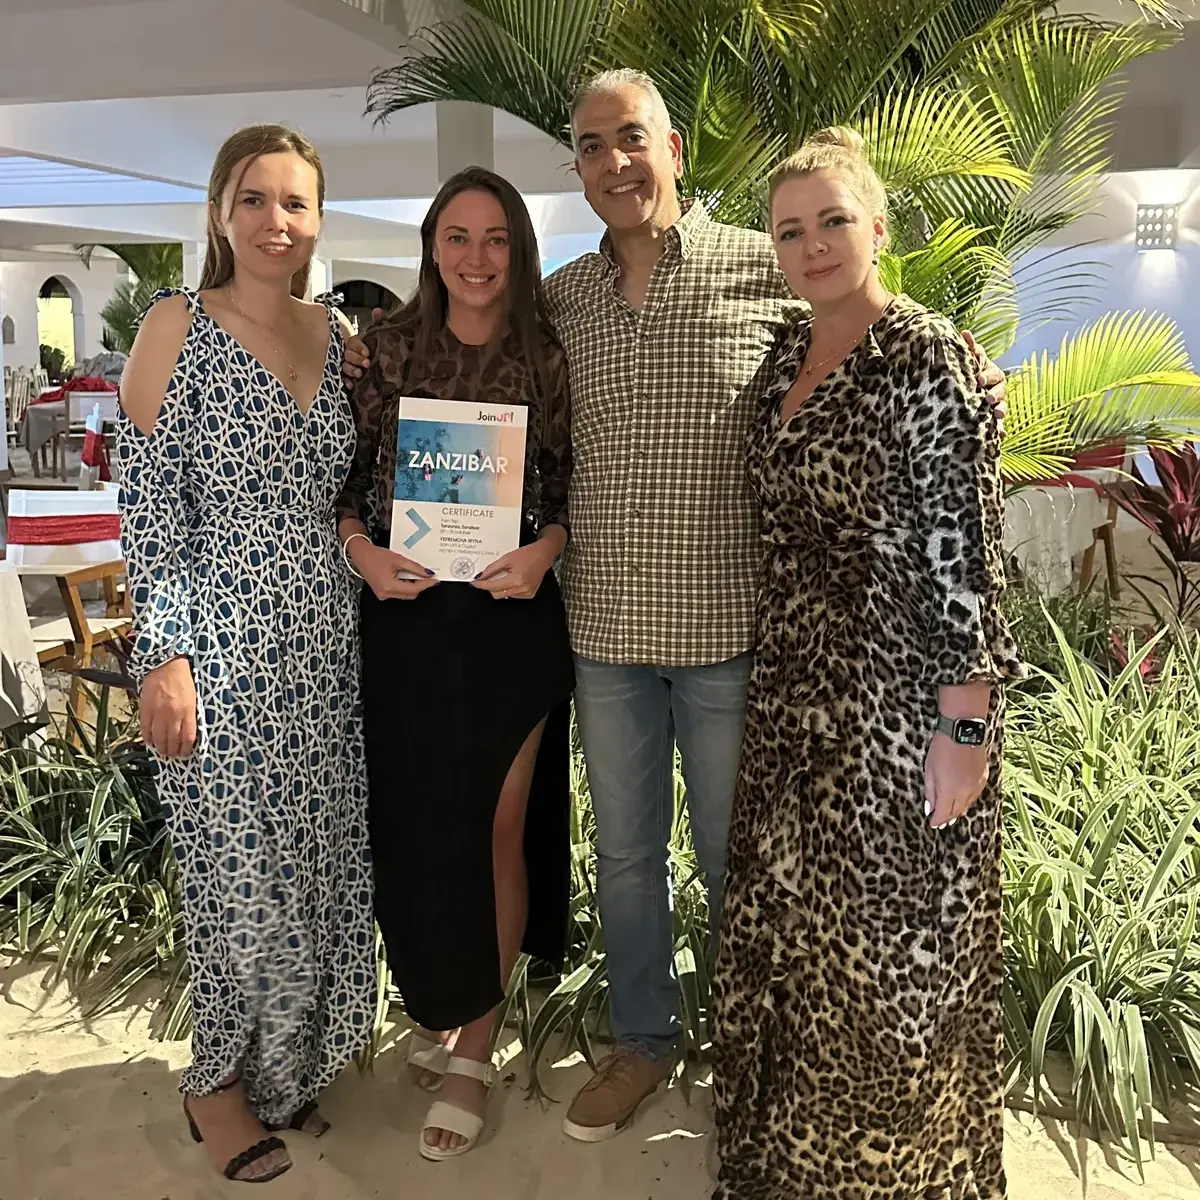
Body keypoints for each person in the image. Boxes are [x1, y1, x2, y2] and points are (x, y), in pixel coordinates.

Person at [532, 69, 1009, 1143]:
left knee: (745, 865)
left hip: (734, 639)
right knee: (625, 856)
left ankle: (756, 1056)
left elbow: (883, 354)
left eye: (633, 139)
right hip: (604, 631)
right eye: (593, 145)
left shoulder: (768, 271)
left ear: (676, 148)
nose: (615, 161)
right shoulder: (558, 299)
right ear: (578, 164)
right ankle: (645, 1041)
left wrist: (967, 358)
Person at [709, 128, 1024, 1199]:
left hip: (899, 707)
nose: (812, 244)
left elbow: (963, 551)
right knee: (789, 937)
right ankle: (785, 1166)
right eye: (790, 229)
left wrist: (965, 727)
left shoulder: (927, 357)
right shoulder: (780, 364)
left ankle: (894, 1179)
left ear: (879, 228)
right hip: (793, 698)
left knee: (893, 962)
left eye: (833, 220)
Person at [116, 123, 376, 1184]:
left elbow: (362, 491)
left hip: (327, 641)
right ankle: (214, 1086)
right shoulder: (174, 325)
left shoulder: (343, 338)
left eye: (297, 203)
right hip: (216, 638)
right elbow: (146, 505)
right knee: (237, 876)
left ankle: (286, 1075)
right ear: (222, 212)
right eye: (256, 199)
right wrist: (162, 656)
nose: (278, 221)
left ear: (319, 219)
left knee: (316, 866)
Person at [335, 166, 575, 1162]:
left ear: (516, 253)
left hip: (512, 619)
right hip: (408, 620)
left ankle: (478, 1036)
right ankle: (452, 1001)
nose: (477, 259)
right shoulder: (383, 350)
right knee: (426, 825)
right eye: (457, 238)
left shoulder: (546, 355)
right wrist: (361, 555)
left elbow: (561, 489)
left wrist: (544, 552)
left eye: (496, 240)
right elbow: (347, 491)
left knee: (499, 821)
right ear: (431, 247)